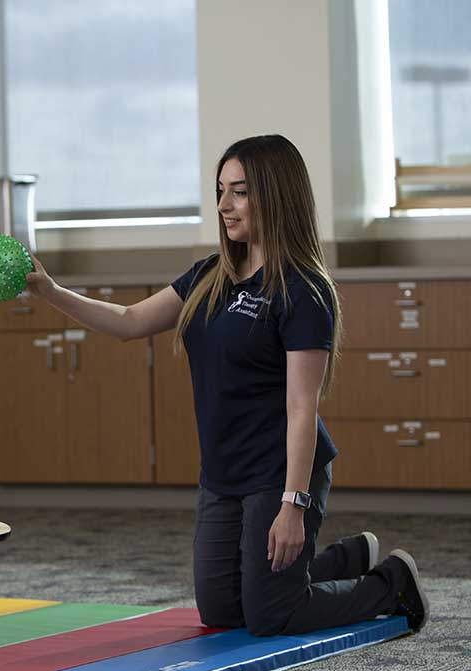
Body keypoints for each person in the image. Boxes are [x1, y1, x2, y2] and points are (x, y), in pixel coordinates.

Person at [25, 134, 429, 637]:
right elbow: (129, 321)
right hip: (222, 472)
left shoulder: (302, 290)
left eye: (238, 192)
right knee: (221, 611)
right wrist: (49, 291)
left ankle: (391, 583)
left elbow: (303, 407)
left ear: (274, 195)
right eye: (220, 191)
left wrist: (292, 505)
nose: (223, 205)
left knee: (270, 615)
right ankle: (345, 557)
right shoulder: (211, 275)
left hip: (276, 472)